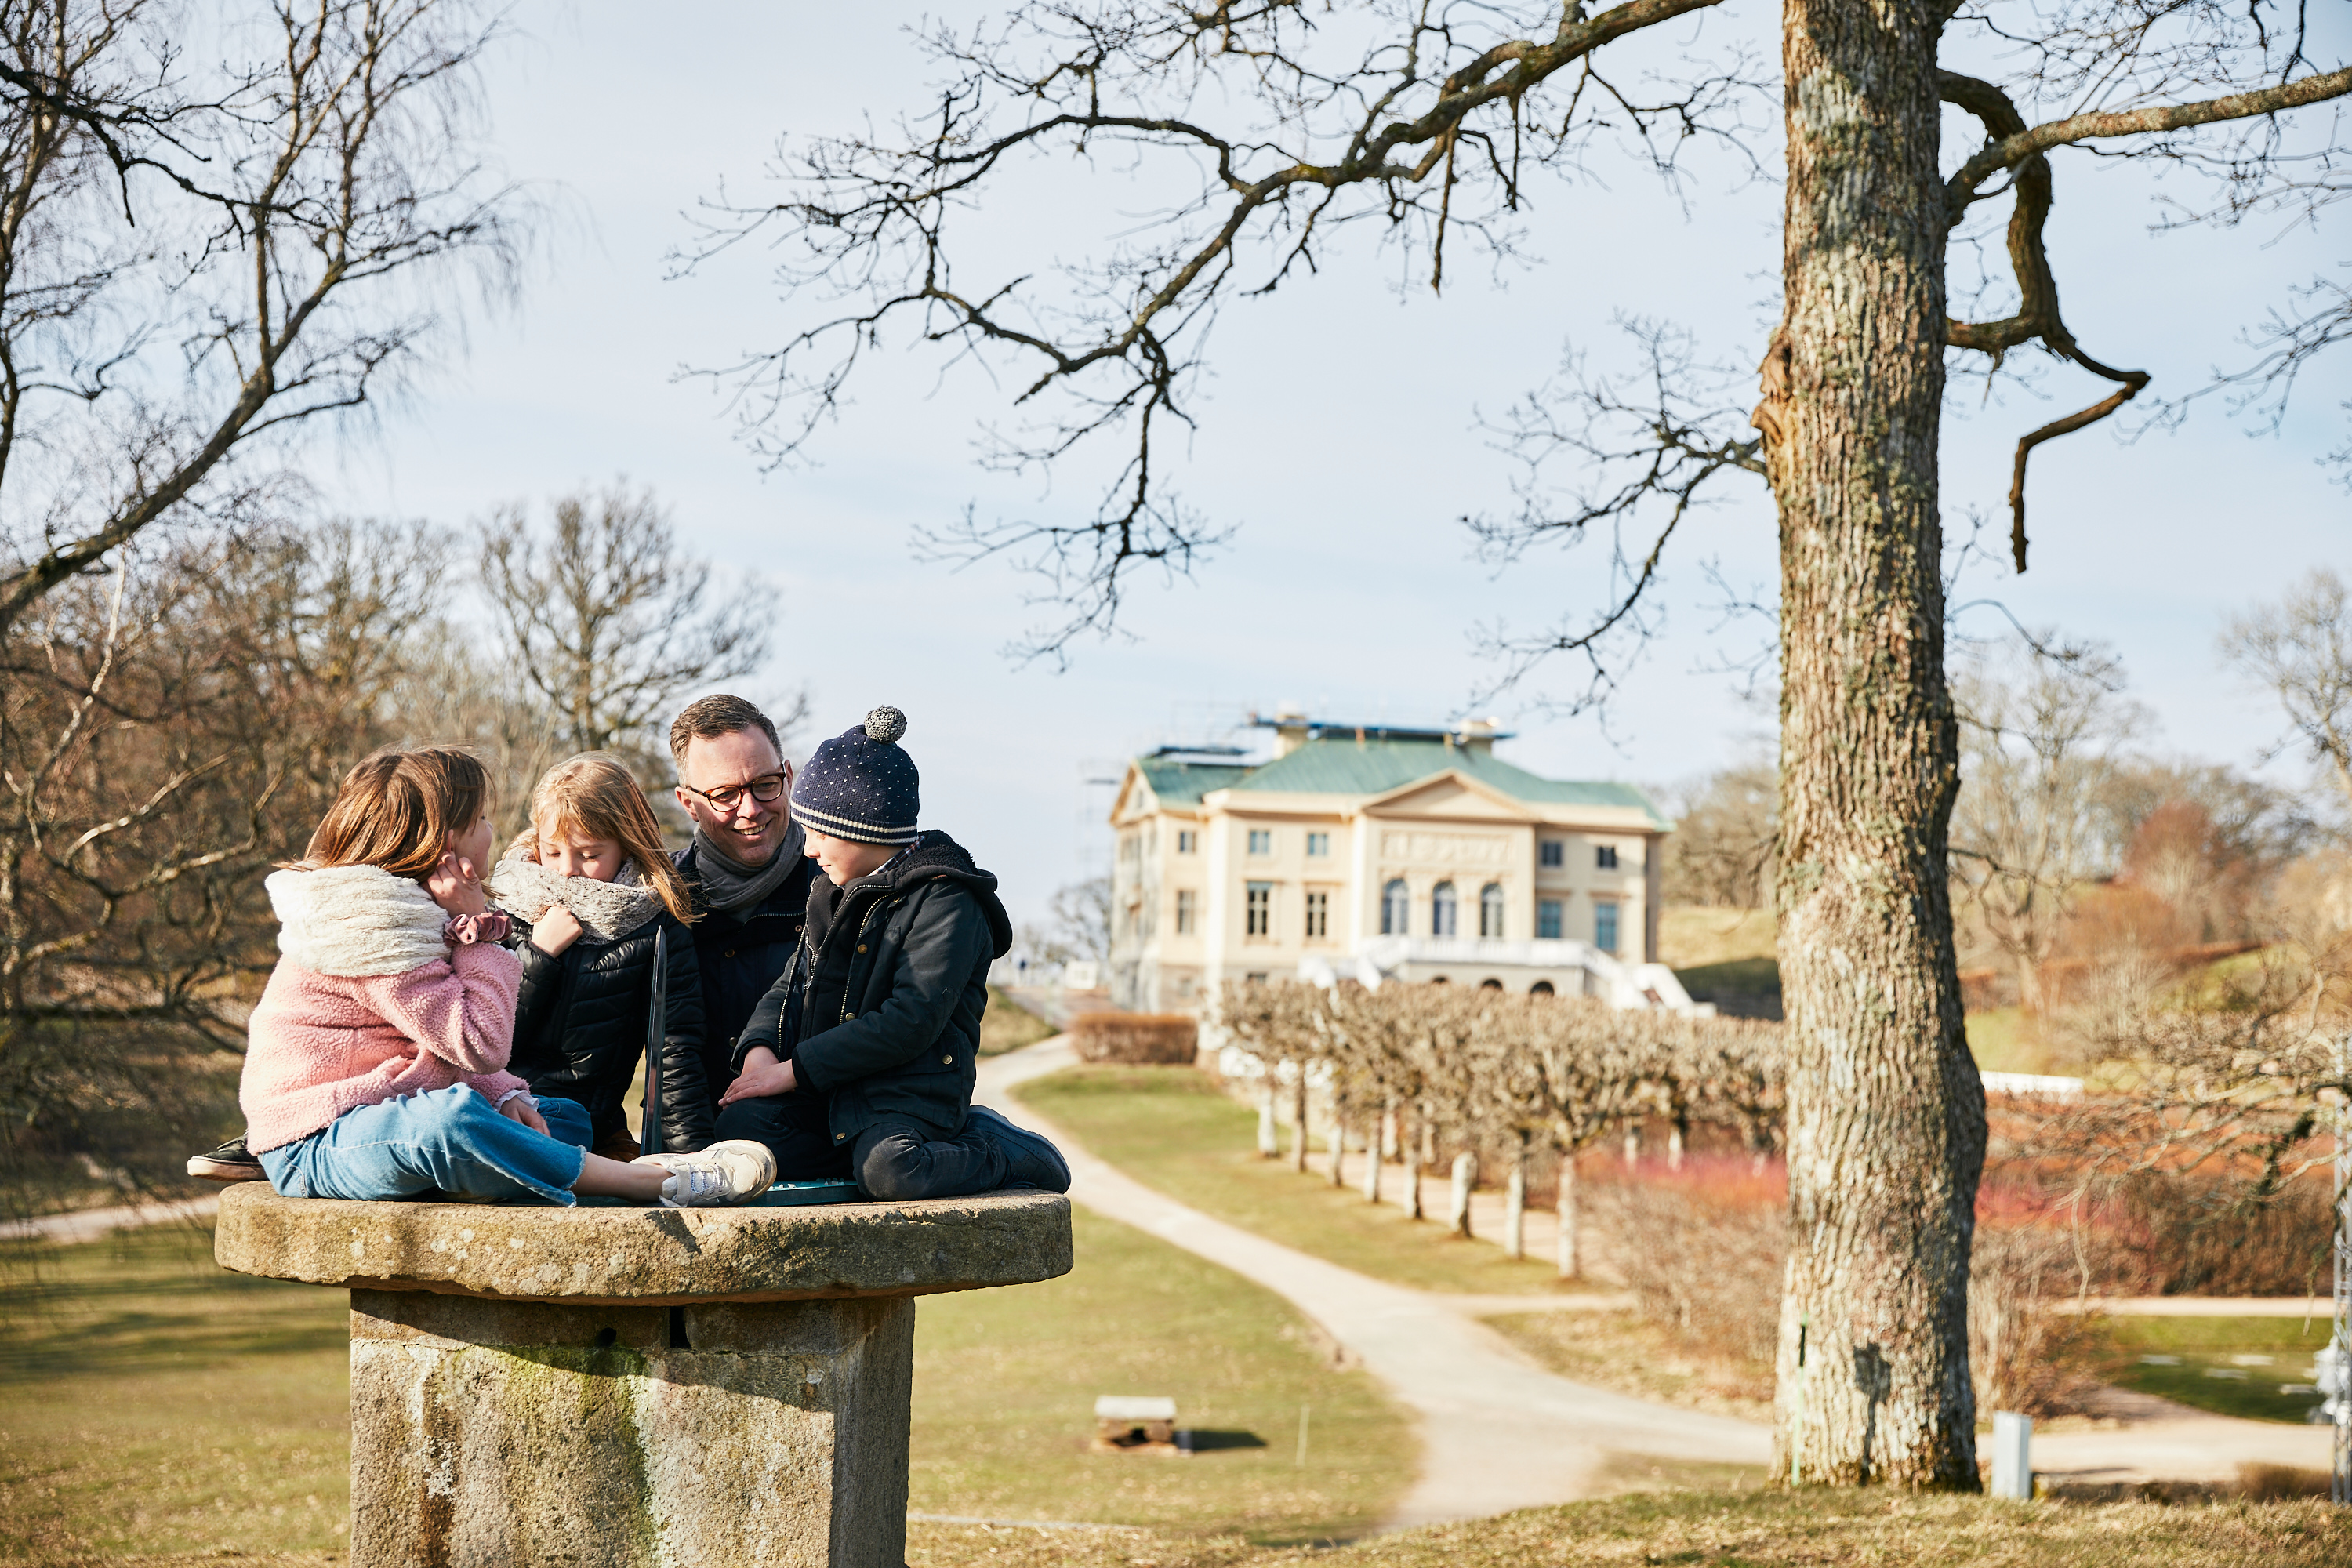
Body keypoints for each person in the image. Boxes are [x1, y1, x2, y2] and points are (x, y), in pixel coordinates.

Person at [238, 744, 775, 1208]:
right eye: (480, 821)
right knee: (449, 1126)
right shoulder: (371, 923)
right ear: (444, 842)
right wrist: (483, 933)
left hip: (382, 1106)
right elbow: (478, 1042)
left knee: (562, 1119)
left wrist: (501, 1096)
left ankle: (486, 1167)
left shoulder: (409, 907)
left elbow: (441, 1044)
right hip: (318, 1138)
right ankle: (649, 1181)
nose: (493, 832)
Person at [720, 706, 1069, 1199]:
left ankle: (1000, 1149)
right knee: (739, 1127)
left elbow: (910, 1020)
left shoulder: (948, 901)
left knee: (892, 1173)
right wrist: (760, 1052)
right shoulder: (830, 891)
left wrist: (795, 1070)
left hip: (907, 1096)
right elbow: (791, 983)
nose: (808, 850)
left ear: (865, 830)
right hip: (835, 1090)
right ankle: (857, 1154)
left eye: (819, 833)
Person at [489, 753, 710, 1161]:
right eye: (552, 852)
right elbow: (485, 1034)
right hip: (497, 1101)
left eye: (589, 855)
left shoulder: (655, 923)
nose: (567, 871)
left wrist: (688, 1161)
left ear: (627, 843)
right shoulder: (507, 903)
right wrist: (539, 955)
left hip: (583, 1117)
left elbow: (676, 1050)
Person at [667, 694, 821, 1151]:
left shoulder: (840, 888)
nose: (750, 809)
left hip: (828, 1139)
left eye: (765, 784)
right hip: (697, 1146)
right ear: (688, 803)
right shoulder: (663, 901)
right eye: (724, 795)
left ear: (789, 777)